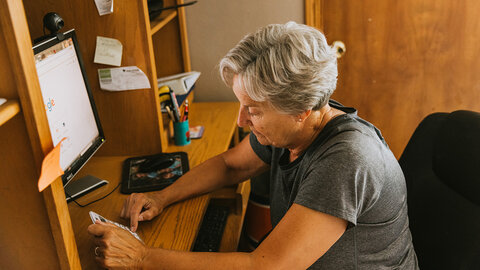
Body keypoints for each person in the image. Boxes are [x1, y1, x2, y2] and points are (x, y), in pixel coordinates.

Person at [88, 21, 419, 269]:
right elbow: (231, 165)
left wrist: (142, 256)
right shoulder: (292, 129)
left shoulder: (348, 160)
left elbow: (266, 266)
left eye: (254, 111)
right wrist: (161, 196)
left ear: (301, 111)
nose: (241, 121)